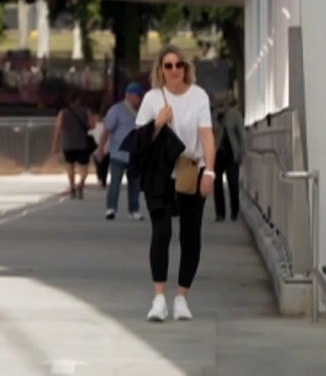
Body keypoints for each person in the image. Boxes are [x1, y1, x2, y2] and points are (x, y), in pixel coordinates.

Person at [130, 45, 216, 322]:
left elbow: (206, 135)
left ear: (186, 68)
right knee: (161, 232)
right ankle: (158, 299)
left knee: (190, 236)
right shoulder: (152, 98)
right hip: (160, 175)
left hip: (191, 170)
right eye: (168, 66)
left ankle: (181, 297)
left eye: (179, 65)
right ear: (160, 70)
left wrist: (210, 172)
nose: (174, 70)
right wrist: (159, 122)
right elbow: (138, 138)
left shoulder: (199, 96)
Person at [98, 82, 145, 221]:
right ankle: (111, 208)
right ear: (129, 96)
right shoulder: (116, 110)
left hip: (135, 154)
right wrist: (101, 148)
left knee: (135, 184)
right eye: (138, 96)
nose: (140, 99)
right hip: (118, 153)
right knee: (115, 183)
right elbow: (106, 131)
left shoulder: (142, 111)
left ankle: (134, 210)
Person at [52, 92, 93, 199]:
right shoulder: (86, 111)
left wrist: (55, 144)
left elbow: (58, 128)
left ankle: (72, 186)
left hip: (67, 143)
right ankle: (81, 183)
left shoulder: (63, 112)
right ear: (78, 100)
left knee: (70, 165)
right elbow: (92, 125)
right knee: (84, 166)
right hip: (82, 142)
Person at [212, 92, 246, 222]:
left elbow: (241, 134)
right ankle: (220, 213)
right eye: (217, 104)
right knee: (217, 184)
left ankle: (234, 211)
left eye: (222, 103)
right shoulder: (213, 115)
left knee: (233, 182)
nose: (219, 106)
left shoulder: (234, 115)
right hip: (218, 154)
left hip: (232, 152)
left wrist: (242, 152)